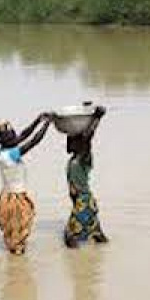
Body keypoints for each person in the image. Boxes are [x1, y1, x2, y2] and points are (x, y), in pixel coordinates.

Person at [0, 113, 52, 255]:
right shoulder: (12, 154)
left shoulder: (2, 152)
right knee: (20, 230)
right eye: (13, 137)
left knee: (12, 230)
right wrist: (47, 125)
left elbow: (25, 135)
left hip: (6, 196)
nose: (17, 138)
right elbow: (33, 141)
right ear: (8, 141)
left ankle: (14, 262)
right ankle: (18, 267)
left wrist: (38, 120)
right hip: (16, 199)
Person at [63, 105, 109, 248]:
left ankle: (81, 268)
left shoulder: (84, 157)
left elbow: (88, 137)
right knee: (98, 237)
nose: (68, 143)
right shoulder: (74, 159)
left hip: (83, 202)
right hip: (81, 202)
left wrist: (96, 118)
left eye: (71, 141)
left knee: (70, 238)